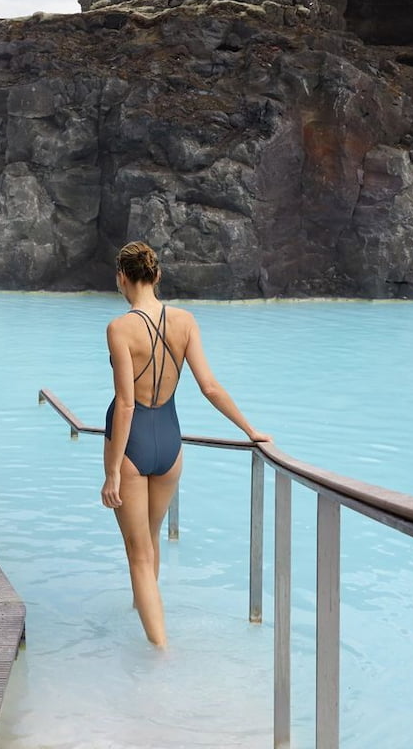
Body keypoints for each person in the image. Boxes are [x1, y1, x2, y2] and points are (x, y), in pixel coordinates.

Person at [101, 240, 270, 647]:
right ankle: (147, 613)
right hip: (170, 444)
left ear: (122, 278)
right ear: (156, 276)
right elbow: (210, 387)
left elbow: (125, 404)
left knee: (137, 554)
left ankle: (160, 654)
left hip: (132, 447)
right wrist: (251, 430)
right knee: (152, 539)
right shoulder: (185, 321)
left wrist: (111, 473)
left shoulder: (120, 328)